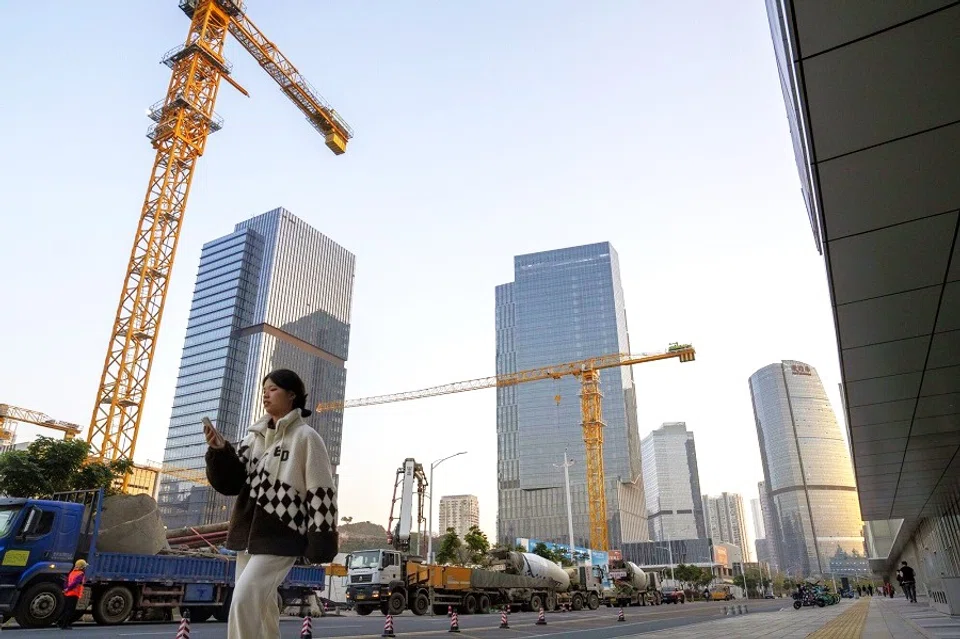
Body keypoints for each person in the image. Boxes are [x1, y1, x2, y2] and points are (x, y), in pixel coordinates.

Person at [205, 369, 339, 639]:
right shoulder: (253, 437)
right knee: (263, 606)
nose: (266, 393)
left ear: (292, 395)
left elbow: (322, 492)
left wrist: (320, 541)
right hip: (247, 536)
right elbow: (232, 482)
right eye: (264, 388)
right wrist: (220, 451)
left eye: (273, 388)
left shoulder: (307, 438)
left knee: (243, 600)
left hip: (282, 534)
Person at [59, 559, 87, 630]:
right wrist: (68, 589)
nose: (85, 568)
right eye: (84, 566)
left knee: (66, 609)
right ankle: (65, 625)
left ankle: (60, 623)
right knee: (70, 610)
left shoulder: (72, 572)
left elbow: (66, 581)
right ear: (82, 567)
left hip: (68, 593)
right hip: (74, 593)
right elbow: (75, 583)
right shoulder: (80, 574)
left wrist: (66, 589)